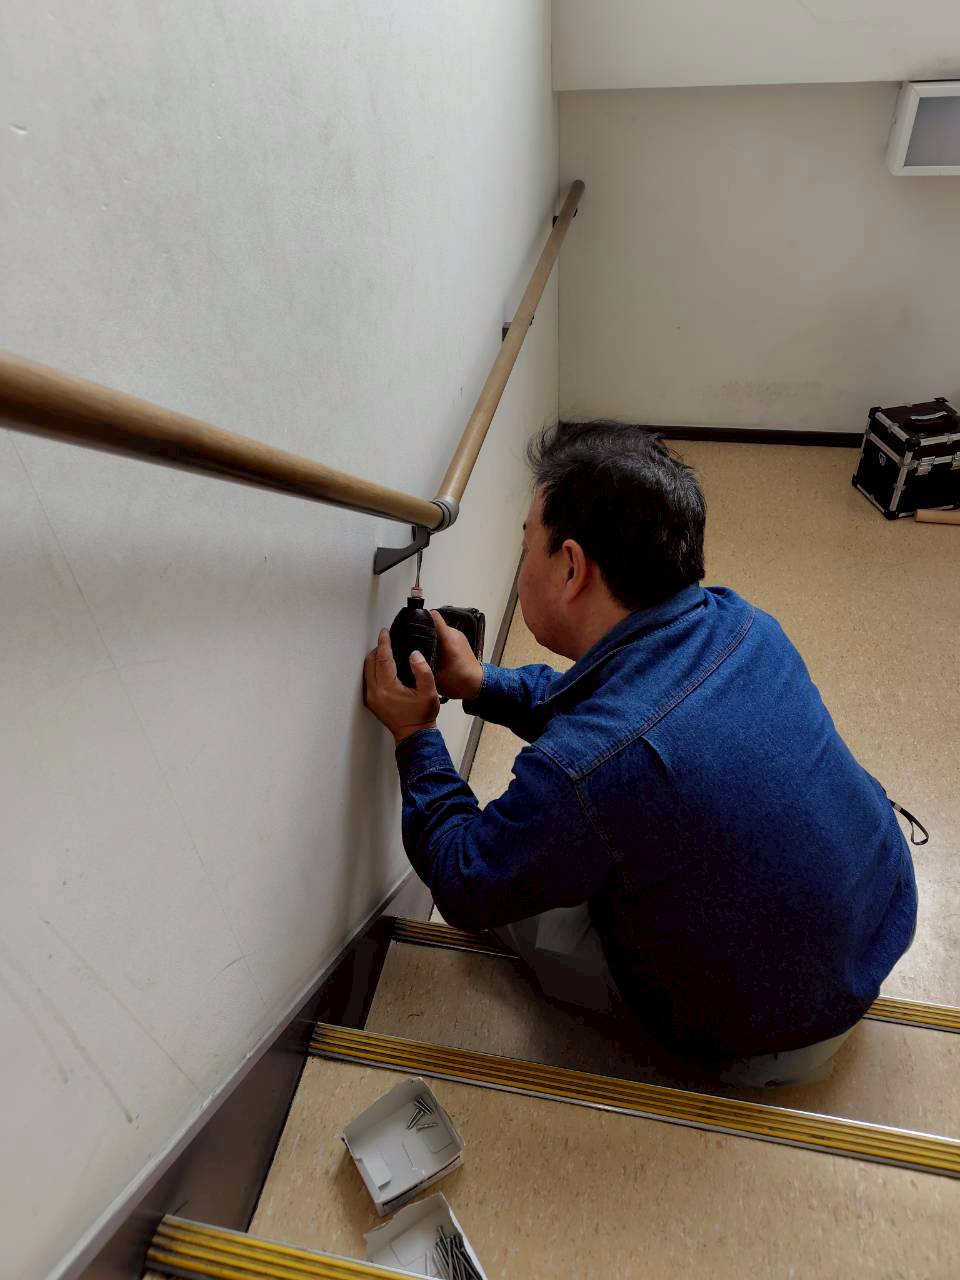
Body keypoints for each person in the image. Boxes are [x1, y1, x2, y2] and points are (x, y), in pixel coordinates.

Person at [362, 421, 918, 1087]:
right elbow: (620, 711)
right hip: (876, 919)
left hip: (772, 1032)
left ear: (571, 568)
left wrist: (416, 736)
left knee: (531, 894)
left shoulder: (588, 770)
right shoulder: (743, 622)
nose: (521, 560)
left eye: (526, 545)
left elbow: (464, 877)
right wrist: (484, 683)